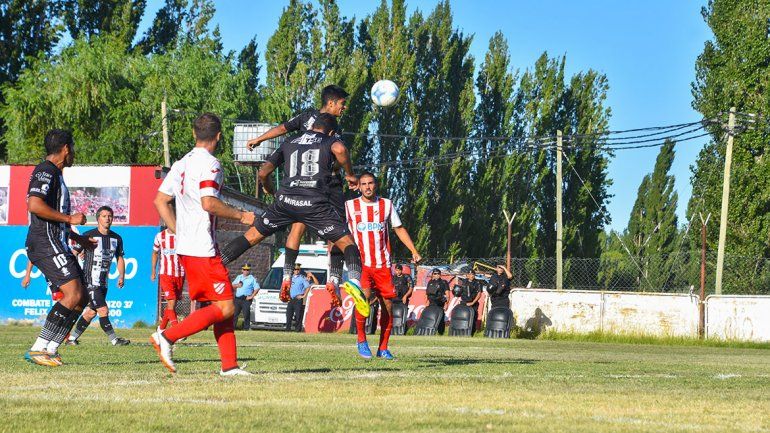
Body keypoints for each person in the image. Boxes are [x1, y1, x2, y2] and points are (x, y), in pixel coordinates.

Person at [219, 113, 370, 319]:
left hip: (286, 202)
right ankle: (354, 282)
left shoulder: (290, 141)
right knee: (347, 243)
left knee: (252, 236)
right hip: (314, 204)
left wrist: (270, 189)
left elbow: (263, 172)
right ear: (332, 131)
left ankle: (217, 265)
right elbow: (340, 149)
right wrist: (350, 174)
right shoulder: (330, 140)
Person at [151, 113, 256, 376]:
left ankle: (229, 366)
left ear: (194, 133)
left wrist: (178, 231)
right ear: (219, 136)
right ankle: (168, 337)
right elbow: (209, 202)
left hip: (188, 246)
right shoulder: (212, 164)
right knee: (226, 306)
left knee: (221, 305)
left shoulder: (181, 163)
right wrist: (242, 215)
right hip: (202, 248)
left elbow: (160, 201)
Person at [246, 85, 349, 307]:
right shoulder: (325, 126)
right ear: (331, 103)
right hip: (327, 184)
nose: (344, 107)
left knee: (297, 226)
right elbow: (284, 128)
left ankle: (286, 277)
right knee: (338, 233)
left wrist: (260, 140)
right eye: (342, 103)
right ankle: (334, 280)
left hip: (303, 184)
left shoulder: (307, 118)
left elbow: (283, 129)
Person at [24, 129, 97, 367]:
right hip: (44, 243)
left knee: (81, 297)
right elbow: (34, 205)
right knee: (73, 294)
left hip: (56, 240)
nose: (73, 152)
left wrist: (79, 239)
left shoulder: (55, 173)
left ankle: (52, 348)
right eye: (72, 147)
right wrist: (69, 219)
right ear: (66, 148)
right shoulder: (45, 171)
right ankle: (38, 348)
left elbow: (52, 218)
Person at [345, 172, 421, 360]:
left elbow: (399, 228)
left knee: (388, 306)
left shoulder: (386, 204)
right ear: (359, 186)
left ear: (376, 185)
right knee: (364, 299)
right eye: (364, 184)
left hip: (383, 265)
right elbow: (339, 232)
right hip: (360, 264)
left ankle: (383, 348)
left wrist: (413, 250)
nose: (367, 187)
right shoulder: (349, 206)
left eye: (370, 183)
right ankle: (362, 340)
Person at [66, 206, 130, 346]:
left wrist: (121, 276)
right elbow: (74, 253)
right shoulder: (89, 235)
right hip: (89, 280)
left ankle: (71, 339)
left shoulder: (117, 238)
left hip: (103, 282)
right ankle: (115, 340)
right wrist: (75, 271)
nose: (107, 218)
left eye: (110, 216)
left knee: (90, 313)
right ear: (98, 219)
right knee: (103, 310)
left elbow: (119, 258)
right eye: (104, 216)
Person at [151, 227, 185, 330]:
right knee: (172, 300)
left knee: (172, 305)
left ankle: (161, 329)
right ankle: (177, 329)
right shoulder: (160, 236)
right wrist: (153, 270)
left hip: (180, 273)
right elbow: (155, 253)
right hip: (165, 273)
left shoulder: (182, 235)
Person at [285, 264, 312, 332]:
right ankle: (287, 329)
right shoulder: (290, 278)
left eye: (298, 269)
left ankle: (297, 329)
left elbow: (308, 287)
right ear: (293, 270)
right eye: (295, 269)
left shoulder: (302, 278)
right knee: (289, 315)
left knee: (298, 315)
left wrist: (304, 295)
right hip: (291, 299)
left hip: (298, 299)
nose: (296, 271)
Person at [232, 263, 259, 330]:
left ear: (249, 270)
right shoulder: (239, 277)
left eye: (247, 270)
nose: (245, 271)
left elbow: (257, 288)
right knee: (235, 314)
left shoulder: (252, 278)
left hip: (246, 299)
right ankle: (232, 328)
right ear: (242, 270)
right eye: (244, 269)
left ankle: (246, 328)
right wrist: (237, 285)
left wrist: (252, 296)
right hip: (238, 299)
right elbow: (232, 285)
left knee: (246, 314)